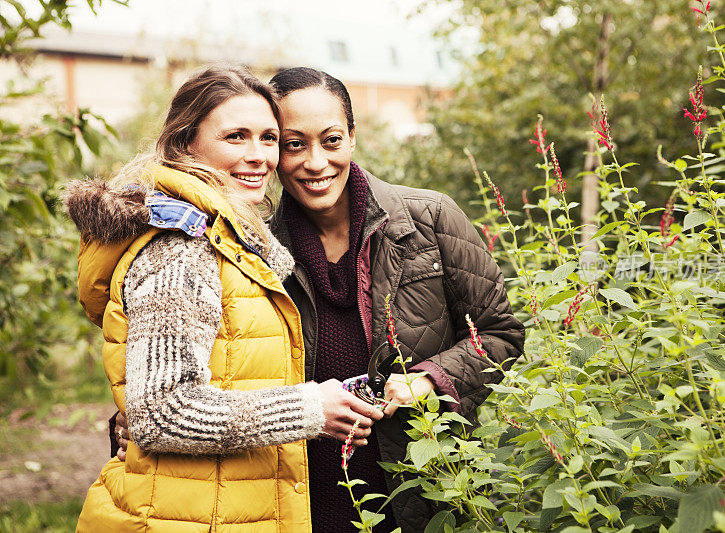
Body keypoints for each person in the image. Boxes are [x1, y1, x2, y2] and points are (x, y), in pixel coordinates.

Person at [111, 66, 525, 531]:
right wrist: (131, 424)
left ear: (352, 138)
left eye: (330, 140)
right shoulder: (247, 243)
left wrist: (429, 379)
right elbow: (200, 365)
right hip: (295, 500)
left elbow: (500, 333)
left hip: (424, 491)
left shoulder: (428, 218)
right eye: (292, 143)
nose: (315, 162)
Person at [63, 64, 384, 532]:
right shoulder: (181, 250)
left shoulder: (226, 238)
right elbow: (162, 412)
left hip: (216, 508)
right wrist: (312, 408)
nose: (259, 156)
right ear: (186, 143)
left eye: (269, 138)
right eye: (236, 137)